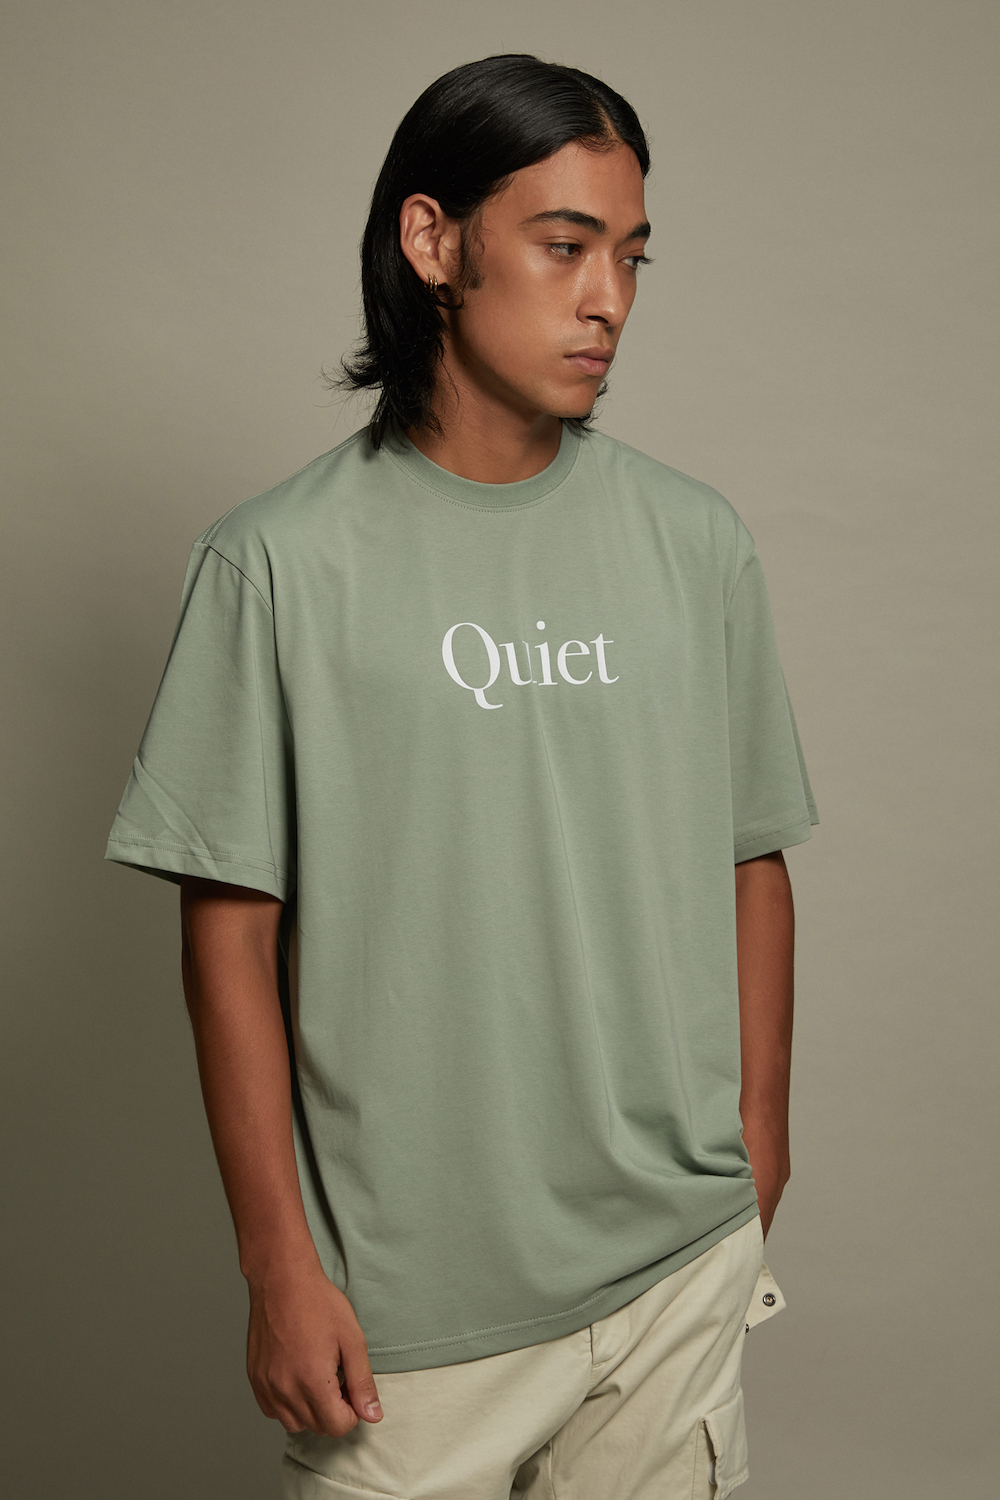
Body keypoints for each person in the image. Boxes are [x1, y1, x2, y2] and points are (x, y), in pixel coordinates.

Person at [105, 53, 817, 1500]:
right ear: (433, 242)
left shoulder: (696, 542)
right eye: (564, 246)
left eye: (631, 256)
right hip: (407, 1311)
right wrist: (279, 1266)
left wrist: (758, 1145)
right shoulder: (276, 564)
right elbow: (229, 935)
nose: (608, 298)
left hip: (672, 1272)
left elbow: (751, 855)